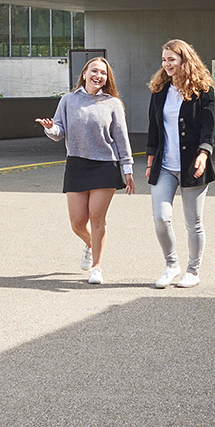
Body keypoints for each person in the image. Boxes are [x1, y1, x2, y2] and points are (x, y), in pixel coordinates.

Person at [36, 57, 135, 284]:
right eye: (94, 71)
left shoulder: (113, 103)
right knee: (78, 223)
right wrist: (50, 128)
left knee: (97, 217)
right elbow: (59, 131)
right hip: (77, 164)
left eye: (103, 72)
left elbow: (121, 138)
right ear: (84, 73)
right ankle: (91, 244)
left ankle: (97, 267)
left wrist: (127, 169)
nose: (98, 75)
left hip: (105, 165)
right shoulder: (68, 100)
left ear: (106, 78)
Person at [144, 39, 215, 289]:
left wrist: (204, 153)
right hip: (164, 166)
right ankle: (171, 265)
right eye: (164, 60)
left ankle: (193, 271)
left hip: (192, 165)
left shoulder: (202, 89)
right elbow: (153, 128)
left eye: (171, 60)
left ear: (184, 60)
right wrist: (150, 160)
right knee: (160, 218)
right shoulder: (159, 90)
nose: (166, 64)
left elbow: (209, 125)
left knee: (193, 222)